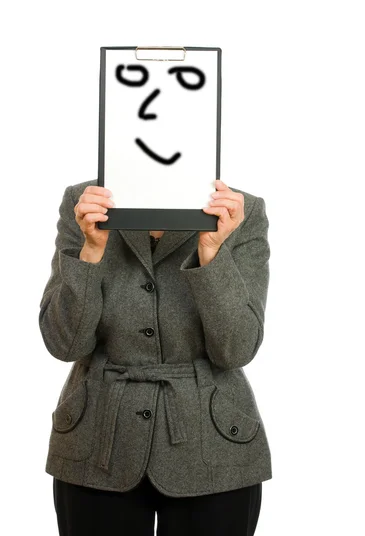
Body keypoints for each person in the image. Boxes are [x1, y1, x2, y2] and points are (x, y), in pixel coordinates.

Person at [39, 177, 272, 536]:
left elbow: (237, 349)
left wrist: (211, 251)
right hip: (98, 440)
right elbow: (63, 343)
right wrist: (91, 252)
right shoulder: (85, 202)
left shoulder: (240, 210)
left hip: (212, 444)